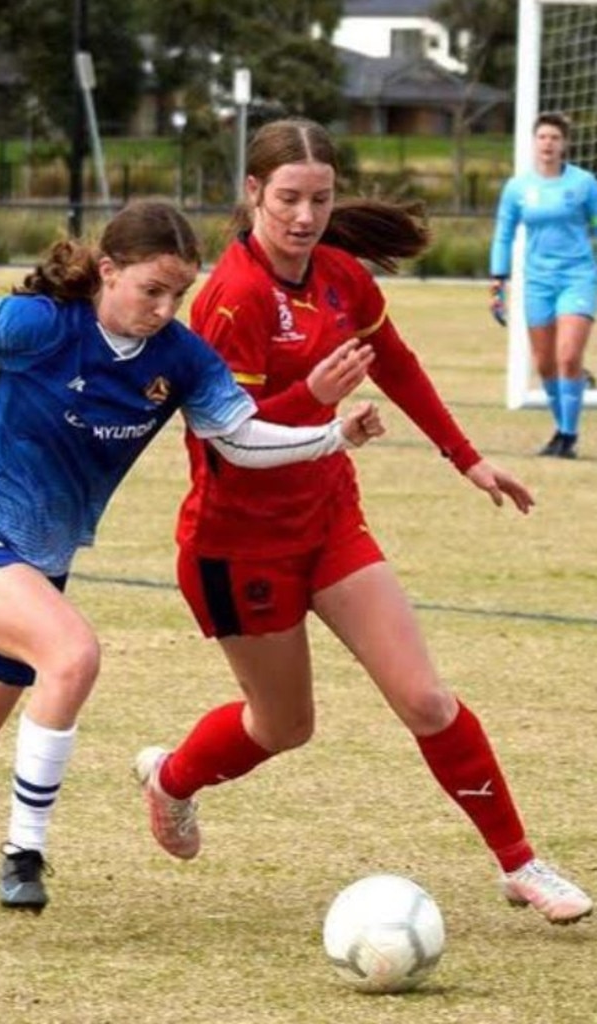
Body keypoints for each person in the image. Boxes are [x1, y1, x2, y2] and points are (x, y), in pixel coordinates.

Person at [0, 199, 384, 911]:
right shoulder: (43, 327)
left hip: (34, 569)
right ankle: (24, 853)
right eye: (151, 289)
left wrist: (333, 436)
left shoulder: (180, 359)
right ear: (109, 271)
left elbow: (239, 439)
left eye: (177, 293)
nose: (164, 307)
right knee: (73, 653)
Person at [134, 119, 593, 926]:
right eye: (287, 199)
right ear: (252, 195)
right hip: (238, 547)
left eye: (320, 198)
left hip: (328, 520)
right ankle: (173, 779)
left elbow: (400, 364)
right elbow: (226, 442)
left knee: (425, 700)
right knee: (285, 726)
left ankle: (522, 864)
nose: (305, 217)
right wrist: (314, 395)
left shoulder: (342, 276)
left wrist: (467, 457)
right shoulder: (230, 301)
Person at [489, 110, 597, 459]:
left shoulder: (583, 184)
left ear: (564, 143)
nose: (548, 143)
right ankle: (561, 428)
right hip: (537, 282)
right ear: (534, 143)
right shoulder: (518, 188)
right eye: (542, 137)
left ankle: (567, 436)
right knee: (545, 363)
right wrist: (498, 282)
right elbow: (504, 235)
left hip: (577, 277)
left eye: (554, 137)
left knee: (568, 356)